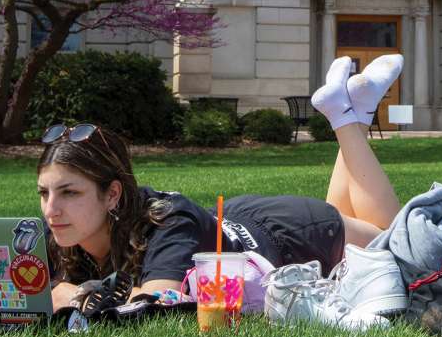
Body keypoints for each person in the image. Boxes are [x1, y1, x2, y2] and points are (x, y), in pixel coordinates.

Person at [36, 54, 406, 313]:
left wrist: (76, 293)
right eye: (45, 193)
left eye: (69, 192)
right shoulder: (55, 233)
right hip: (232, 220)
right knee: (348, 214)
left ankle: (345, 116)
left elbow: (159, 301)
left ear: (112, 194)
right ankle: (357, 105)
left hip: (289, 235)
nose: (51, 210)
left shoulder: (166, 221)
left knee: (388, 240)